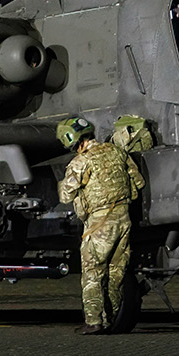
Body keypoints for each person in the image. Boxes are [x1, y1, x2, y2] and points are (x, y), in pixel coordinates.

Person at [57, 116, 146, 335]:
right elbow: (139, 182)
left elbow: (65, 195)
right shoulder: (118, 152)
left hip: (99, 223)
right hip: (123, 219)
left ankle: (94, 321)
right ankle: (112, 319)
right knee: (116, 273)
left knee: (93, 272)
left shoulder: (80, 162)